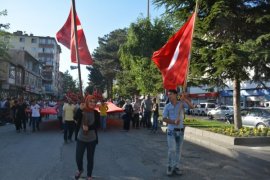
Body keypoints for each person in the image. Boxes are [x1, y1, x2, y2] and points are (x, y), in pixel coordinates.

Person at [162, 89, 193, 176]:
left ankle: (176, 167)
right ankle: (169, 166)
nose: (169, 96)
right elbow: (164, 118)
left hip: (180, 131)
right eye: (168, 94)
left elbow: (192, 107)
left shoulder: (181, 104)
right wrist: (173, 122)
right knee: (172, 150)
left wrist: (185, 99)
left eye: (171, 94)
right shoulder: (167, 106)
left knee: (178, 150)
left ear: (176, 95)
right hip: (171, 131)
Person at [75, 95, 100, 180]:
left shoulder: (96, 113)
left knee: (90, 158)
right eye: (90, 101)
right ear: (87, 102)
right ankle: (80, 169)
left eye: (94, 102)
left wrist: (89, 128)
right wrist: (80, 109)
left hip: (92, 139)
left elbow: (97, 125)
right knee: (78, 157)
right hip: (81, 138)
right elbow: (75, 118)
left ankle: (89, 175)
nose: (93, 103)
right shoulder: (82, 111)